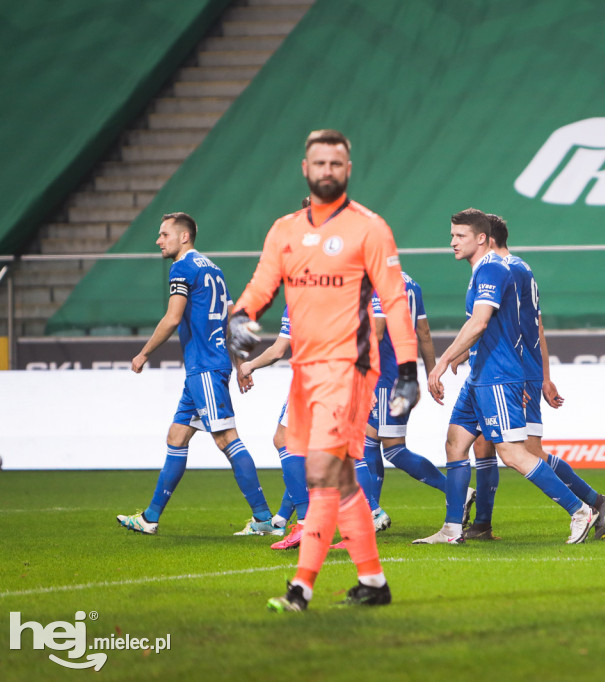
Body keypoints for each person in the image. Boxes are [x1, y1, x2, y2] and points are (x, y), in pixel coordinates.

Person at [228, 129, 420, 611]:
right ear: (305, 168)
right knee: (340, 478)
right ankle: (374, 584)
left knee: (319, 471)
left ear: (348, 170)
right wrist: (240, 317)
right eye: (320, 163)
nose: (328, 171)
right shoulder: (284, 230)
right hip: (305, 371)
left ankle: (301, 588)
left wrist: (410, 369)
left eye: (336, 164)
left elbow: (396, 303)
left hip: (351, 368)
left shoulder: (370, 228)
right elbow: (260, 287)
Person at [415, 208, 597, 545]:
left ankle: (581, 509)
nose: (452, 242)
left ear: (482, 238)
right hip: (481, 373)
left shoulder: (492, 270)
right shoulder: (489, 270)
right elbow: (494, 325)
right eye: (452, 235)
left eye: (460, 236)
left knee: (513, 453)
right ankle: (453, 529)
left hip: (499, 375)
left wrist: (443, 361)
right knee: (456, 443)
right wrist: (467, 352)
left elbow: (480, 322)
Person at [117, 212, 275, 536]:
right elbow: (232, 320)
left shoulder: (183, 267)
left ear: (183, 236)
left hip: (204, 366)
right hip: (205, 368)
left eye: (164, 234)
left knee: (226, 438)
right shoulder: (213, 270)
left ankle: (263, 519)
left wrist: (144, 352)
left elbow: (173, 318)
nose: (158, 241)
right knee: (176, 437)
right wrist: (238, 363)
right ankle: (149, 518)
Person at [464, 213, 605, 541]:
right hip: (507, 371)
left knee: (528, 452)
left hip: (512, 371)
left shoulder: (508, 270)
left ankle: (591, 502)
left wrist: (531, 377)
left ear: (486, 239)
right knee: (484, 443)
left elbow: (527, 327)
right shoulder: (518, 268)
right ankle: (482, 524)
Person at [357, 272, 448, 533]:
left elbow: (377, 329)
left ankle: (454, 490)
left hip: (385, 376)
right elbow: (425, 333)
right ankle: (372, 511)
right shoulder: (412, 284)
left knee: (393, 449)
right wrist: (430, 374)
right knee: (370, 441)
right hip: (402, 373)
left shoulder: (378, 282)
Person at [236, 306, 311, 551]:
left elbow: (278, 350)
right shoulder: (342, 289)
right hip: (343, 375)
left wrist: (249, 366)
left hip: (311, 378)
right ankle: (281, 518)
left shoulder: (301, 296)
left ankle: (305, 523)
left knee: (284, 440)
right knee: (320, 450)